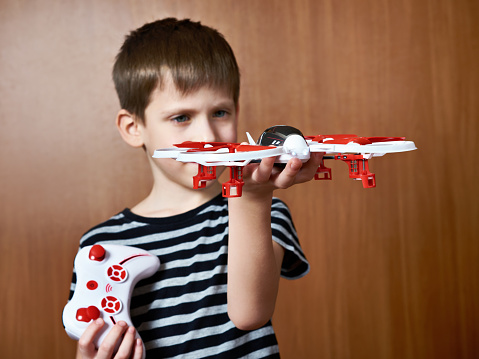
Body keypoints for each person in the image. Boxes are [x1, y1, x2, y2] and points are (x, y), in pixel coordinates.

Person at [69, 18, 323, 358]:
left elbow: (249, 315)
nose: (207, 137)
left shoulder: (262, 211)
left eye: (220, 112)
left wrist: (249, 198)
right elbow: (95, 338)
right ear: (133, 127)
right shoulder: (100, 247)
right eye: (181, 117)